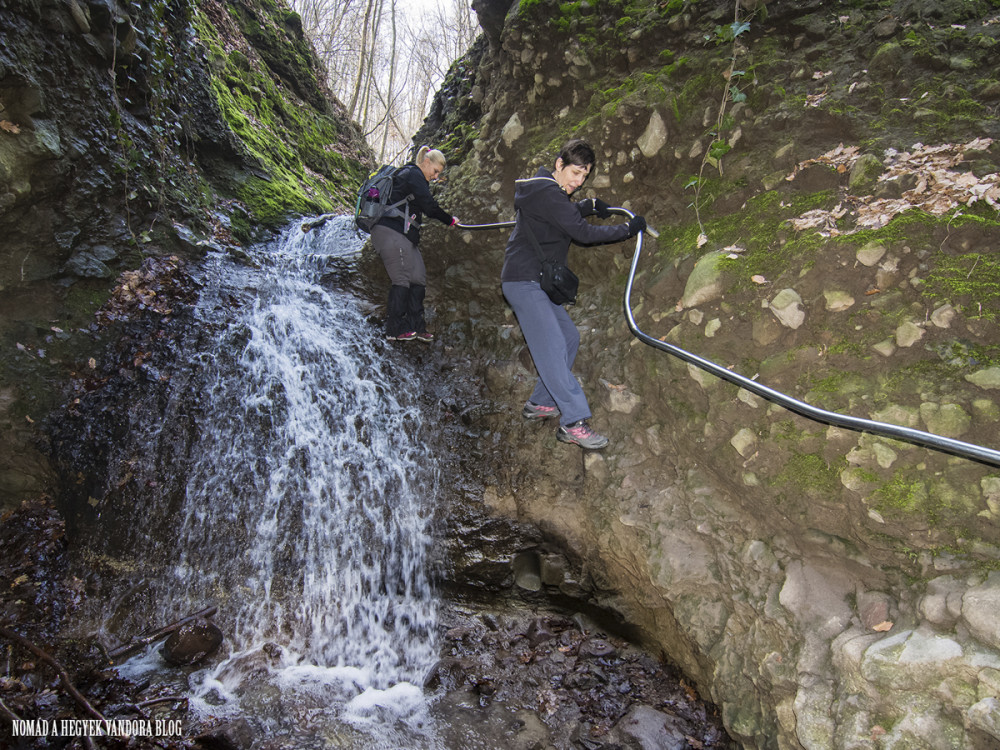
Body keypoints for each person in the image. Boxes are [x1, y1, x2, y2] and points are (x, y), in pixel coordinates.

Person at [501, 139, 646, 450]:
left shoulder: (544, 192)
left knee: (568, 337)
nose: (578, 182)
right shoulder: (548, 193)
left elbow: (560, 215)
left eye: (584, 176)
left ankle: (540, 403)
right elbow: (581, 232)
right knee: (553, 346)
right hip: (524, 281)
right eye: (575, 173)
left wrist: (590, 206)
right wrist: (628, 229)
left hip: (533, 282)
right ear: (559, 165)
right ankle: (573, 420)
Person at [372, 145, 458, 342]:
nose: (436, 176)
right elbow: (429, 206)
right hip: (389, 231)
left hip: (404, 236)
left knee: (418, 277)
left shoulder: (417, 178)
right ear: (426, 162)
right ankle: (394, 329)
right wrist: (449, 220)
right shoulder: (413, 174)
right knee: (401, 279)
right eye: (435, 171)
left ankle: (416, 327)